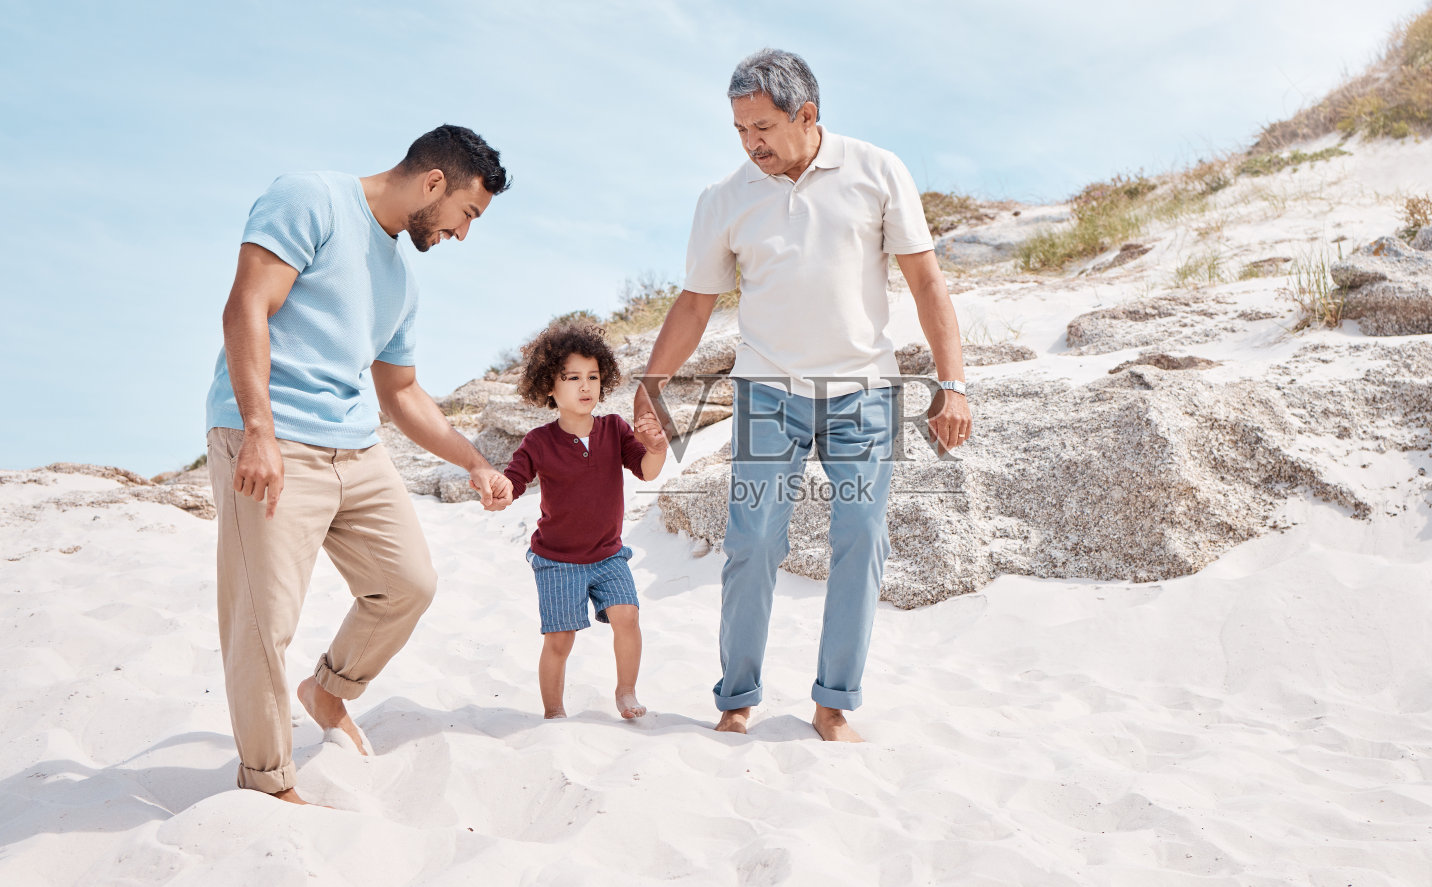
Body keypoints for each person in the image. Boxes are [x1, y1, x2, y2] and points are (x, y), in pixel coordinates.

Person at [633, 49, 974, 742]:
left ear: (807, 115)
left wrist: (953, 383)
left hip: (864, 393)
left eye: (761, 126)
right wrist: (650, 389)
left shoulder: (878, 171)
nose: (750, 143)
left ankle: (833, 703)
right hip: (766, 392)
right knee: (753, 539)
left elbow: (927, 283)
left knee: (862, 535)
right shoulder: (725, 199)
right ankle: (737, 697)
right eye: (738, 130)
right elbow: (696, 305)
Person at [205, 124, 515, 805]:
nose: (465, 233)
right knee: (263, 624)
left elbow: (401, 392)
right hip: (271, 439)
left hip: (357, 447)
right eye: (469, 214)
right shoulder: (309, 199)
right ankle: (268, 785)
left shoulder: (400, 280)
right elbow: (247, 305)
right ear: (435, 184)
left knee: (409, 582)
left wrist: (475, 462)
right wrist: (259, 427)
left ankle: (329, 689)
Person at [503, 321, 669, 721]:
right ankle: (554, 710)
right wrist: (500, 491)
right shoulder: (538, 442)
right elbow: (513, 480)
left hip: (608, 554)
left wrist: (658, 447)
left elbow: (646, 470)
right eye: (572, 377)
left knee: (627, 615)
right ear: (548, 386)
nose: (585, 386)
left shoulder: (614, 428)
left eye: (593, 376)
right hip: (557, 559)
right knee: (560, 639)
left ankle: (626, 692)